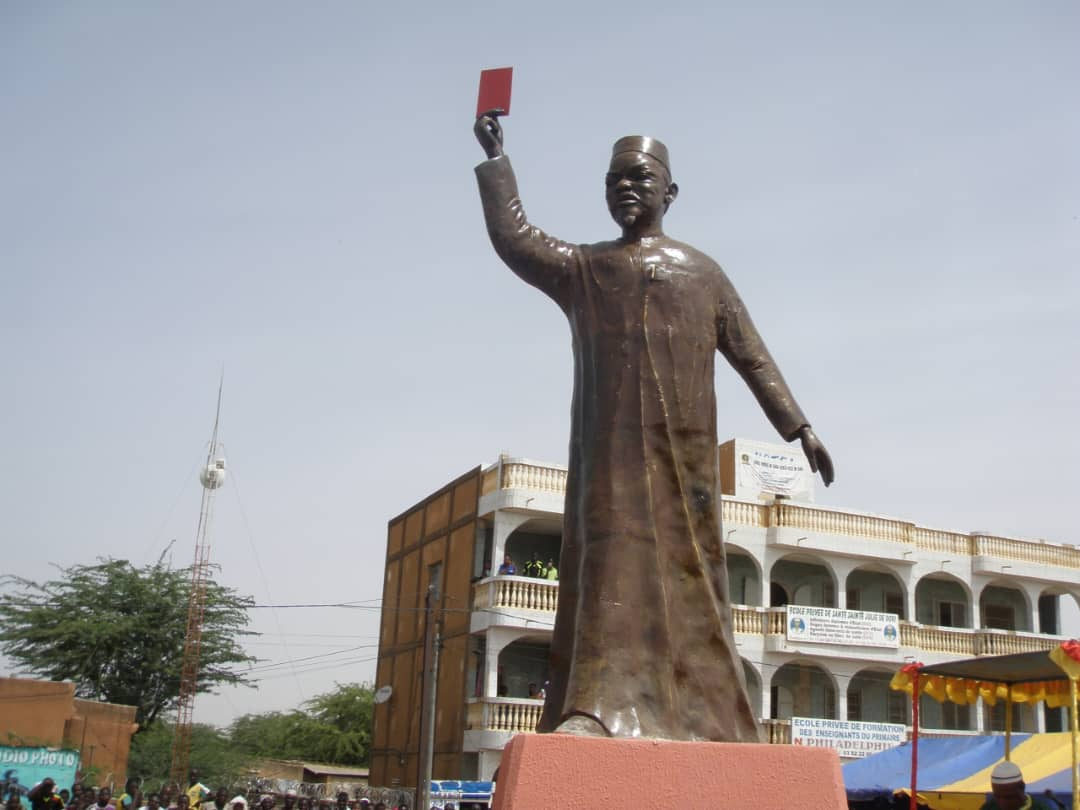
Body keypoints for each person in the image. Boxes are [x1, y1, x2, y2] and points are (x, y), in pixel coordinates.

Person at [474, 114, 834, 741]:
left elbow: (751, 352)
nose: (625, 189)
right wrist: (497, 162)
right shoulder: (584, 269)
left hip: (685, 465)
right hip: (609, 458)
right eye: (613, 180)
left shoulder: (702, 272)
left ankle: (708, 713)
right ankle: (595, 707)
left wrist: (798, 426)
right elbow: (517, 239)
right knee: (608, 566)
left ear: (670, 192)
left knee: (694, 579)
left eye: (639, 178)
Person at [981, 761, 1056, 809]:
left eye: (1008, 797)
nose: (1003, 804)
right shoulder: (989, 808)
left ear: (1022, 787)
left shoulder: (1040, 808)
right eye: (997, 797)